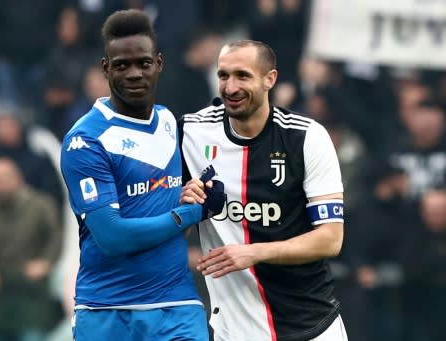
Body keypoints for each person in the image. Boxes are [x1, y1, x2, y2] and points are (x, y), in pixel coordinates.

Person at [59, 9, 225, 341]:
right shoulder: (86, 140)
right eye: (122, 65)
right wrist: (191, 212)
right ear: (106, 69)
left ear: (158, 64)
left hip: (177, 305)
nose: (134, 73)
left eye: (143, 63)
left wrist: (201, 195)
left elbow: (165, 204)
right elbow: (112, 237)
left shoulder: (168, 123)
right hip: (108, 312)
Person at [179, 40, 347, 341]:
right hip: (233, 330)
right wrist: (182, 208)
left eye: (242, 76)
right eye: (223, 76)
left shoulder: (306, 137)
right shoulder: (190, 133)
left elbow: (330, 239)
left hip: (312, 325)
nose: (230, 87)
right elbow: (173, 231)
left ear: (270, 79)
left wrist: (255, 252)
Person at [0, 157, 62, 341]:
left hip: (32, 290)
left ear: (18, 177)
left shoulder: (41, 205)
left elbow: (55, 237)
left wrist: (46, 261)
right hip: (0, 293)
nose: (0, 183)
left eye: (4, 177)